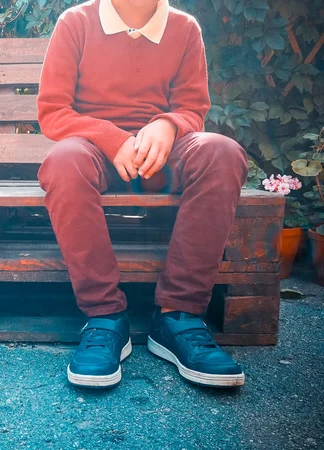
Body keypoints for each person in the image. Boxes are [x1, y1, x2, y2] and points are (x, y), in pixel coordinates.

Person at [36, 0, 249, 389]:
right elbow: (53, 112)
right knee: (63, 162)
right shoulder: (76, 23)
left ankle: (178, 317)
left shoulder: (184, 28)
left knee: (222, 151)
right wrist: (110, 138)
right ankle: (103, 318)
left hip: (161, 158)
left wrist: (168, 125)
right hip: (95, 154)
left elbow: (192, 109)